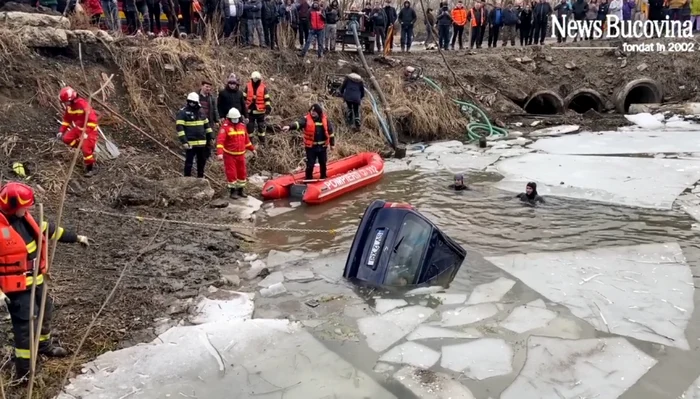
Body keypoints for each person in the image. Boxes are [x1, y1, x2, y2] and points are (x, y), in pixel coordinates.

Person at [0, 182, 90, 380]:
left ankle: (44, 346)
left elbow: (50, 230)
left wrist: (76, 237)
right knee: (25, 326)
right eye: (26, 206)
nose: (30, 209)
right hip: (17, 288)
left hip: (37, 281)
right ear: (14, 206)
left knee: (44, 312)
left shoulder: (25, 219)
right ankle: (24, 372)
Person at [281, 104, 335, 180]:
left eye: (314, 111)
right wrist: (289, 127)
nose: (312, 112)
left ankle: (323, 176)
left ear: (318, 112)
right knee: (310, 164)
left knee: (323, 163)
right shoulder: (306, 119)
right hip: (311, 147)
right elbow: (298, 124)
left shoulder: (325, 120)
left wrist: (332, 144)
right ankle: (308, 178)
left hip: (322, 147)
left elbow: (330, 132)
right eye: (311, 110)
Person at [57, 86, 100, 177]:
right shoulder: (69, 107)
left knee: (86, 150)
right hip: (78, 129)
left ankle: (91, 168)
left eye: (66, 101)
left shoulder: (83, 105)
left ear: (72, 99)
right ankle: (83, 146)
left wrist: (86, 132)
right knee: (66, 139)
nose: (65, 104)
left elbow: (93, 121)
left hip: (89, 130)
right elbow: (66, 120)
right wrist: (61, 131)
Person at [216, 108, 256, 198]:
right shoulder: (225, 128)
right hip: (229, 155)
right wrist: (220, 153)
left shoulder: (242, 126)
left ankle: (241, 190)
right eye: (234, 119)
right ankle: (233, 191)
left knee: (242, 173)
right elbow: (220, 141)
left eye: (237, 119)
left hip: (241, 154)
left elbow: (247, 140)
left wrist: (252, 149)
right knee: (232, 173)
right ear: (229, 118)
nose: (235, 121)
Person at [176, 92, 214, 178]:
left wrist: (211, 136)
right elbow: (180, 128)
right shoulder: (183, 112)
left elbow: (207, 126)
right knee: (189, 162)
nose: (192, 103)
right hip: (190, 143)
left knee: (201, 162)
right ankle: (187, 179)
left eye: (194, 102)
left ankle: (200, 178)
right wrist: (184, 141)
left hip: (202, 143)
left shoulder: (201, 112)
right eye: (190, 102)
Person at [243, 71, 271, 143]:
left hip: (260, 112)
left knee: (261, 128)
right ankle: (249, 143)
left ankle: (262, 141)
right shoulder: (248, 86)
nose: (255, 80)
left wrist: (267, 107)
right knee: (250, 128)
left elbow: (267, 99)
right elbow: (243, 98)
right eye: (254, 79)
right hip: (250, 111)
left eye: (257, 79)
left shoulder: (263, 87)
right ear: (251, 79)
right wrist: (243, 108)